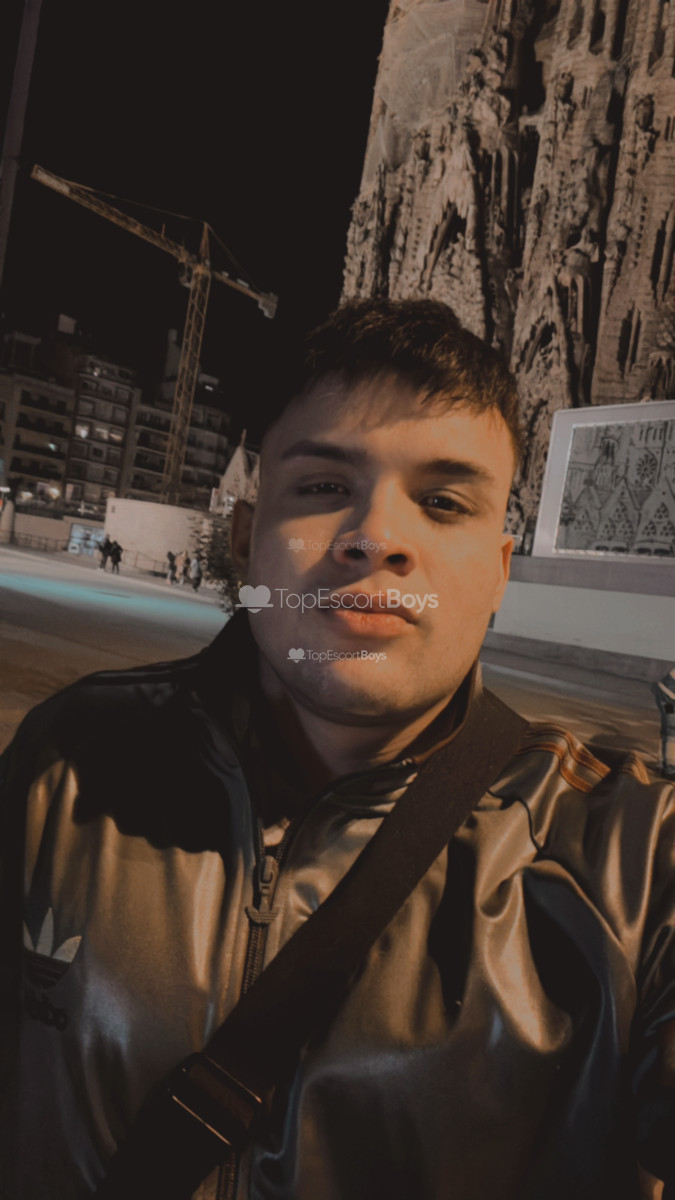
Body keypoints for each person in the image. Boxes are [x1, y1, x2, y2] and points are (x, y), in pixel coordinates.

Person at [0, 299, 673, 1200]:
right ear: (245, 540)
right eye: (322, 488)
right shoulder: (69, 765)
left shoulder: (630, 861)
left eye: (443, 502)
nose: (375, 539)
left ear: (498, 571)